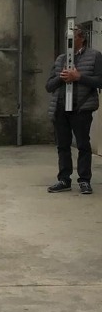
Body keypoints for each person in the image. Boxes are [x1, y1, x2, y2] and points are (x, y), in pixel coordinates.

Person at [45, 27, 102, 195]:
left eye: (72, 38)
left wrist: (79, 77)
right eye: (66, 38)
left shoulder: (94, 56)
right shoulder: (61, 59)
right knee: (63, 145)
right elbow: (48, 86)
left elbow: (100, 81)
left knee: (83, 145)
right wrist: (60, 78)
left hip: (81, 108)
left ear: (82, 38)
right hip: (60, 108)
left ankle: (84, 180)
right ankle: (64, 179)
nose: (68, 42)